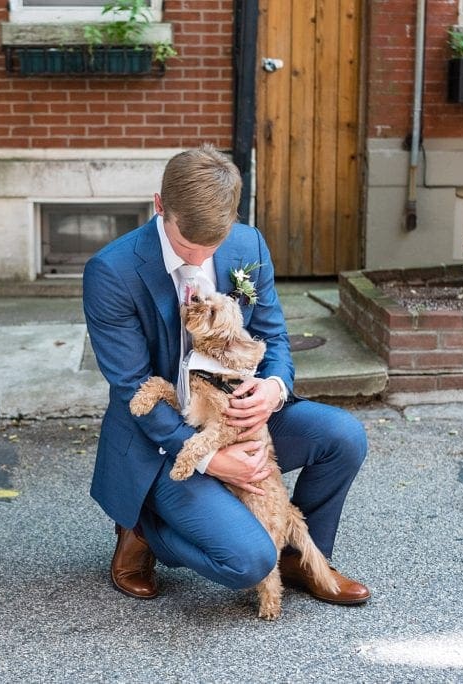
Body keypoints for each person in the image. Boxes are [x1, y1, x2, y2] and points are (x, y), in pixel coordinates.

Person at [82, 144, 370, 606]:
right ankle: (144, 526)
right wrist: (208, 460)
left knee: (344, 436)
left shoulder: (246, 244)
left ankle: (297, 558)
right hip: (164, 439)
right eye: (185, 246)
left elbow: (275, 339)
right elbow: (131, 386)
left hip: (235, 417)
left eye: (209, 247)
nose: (197, 260)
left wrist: (272, 390)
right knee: (247, 563)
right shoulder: (111, 272)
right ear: (160, 206)